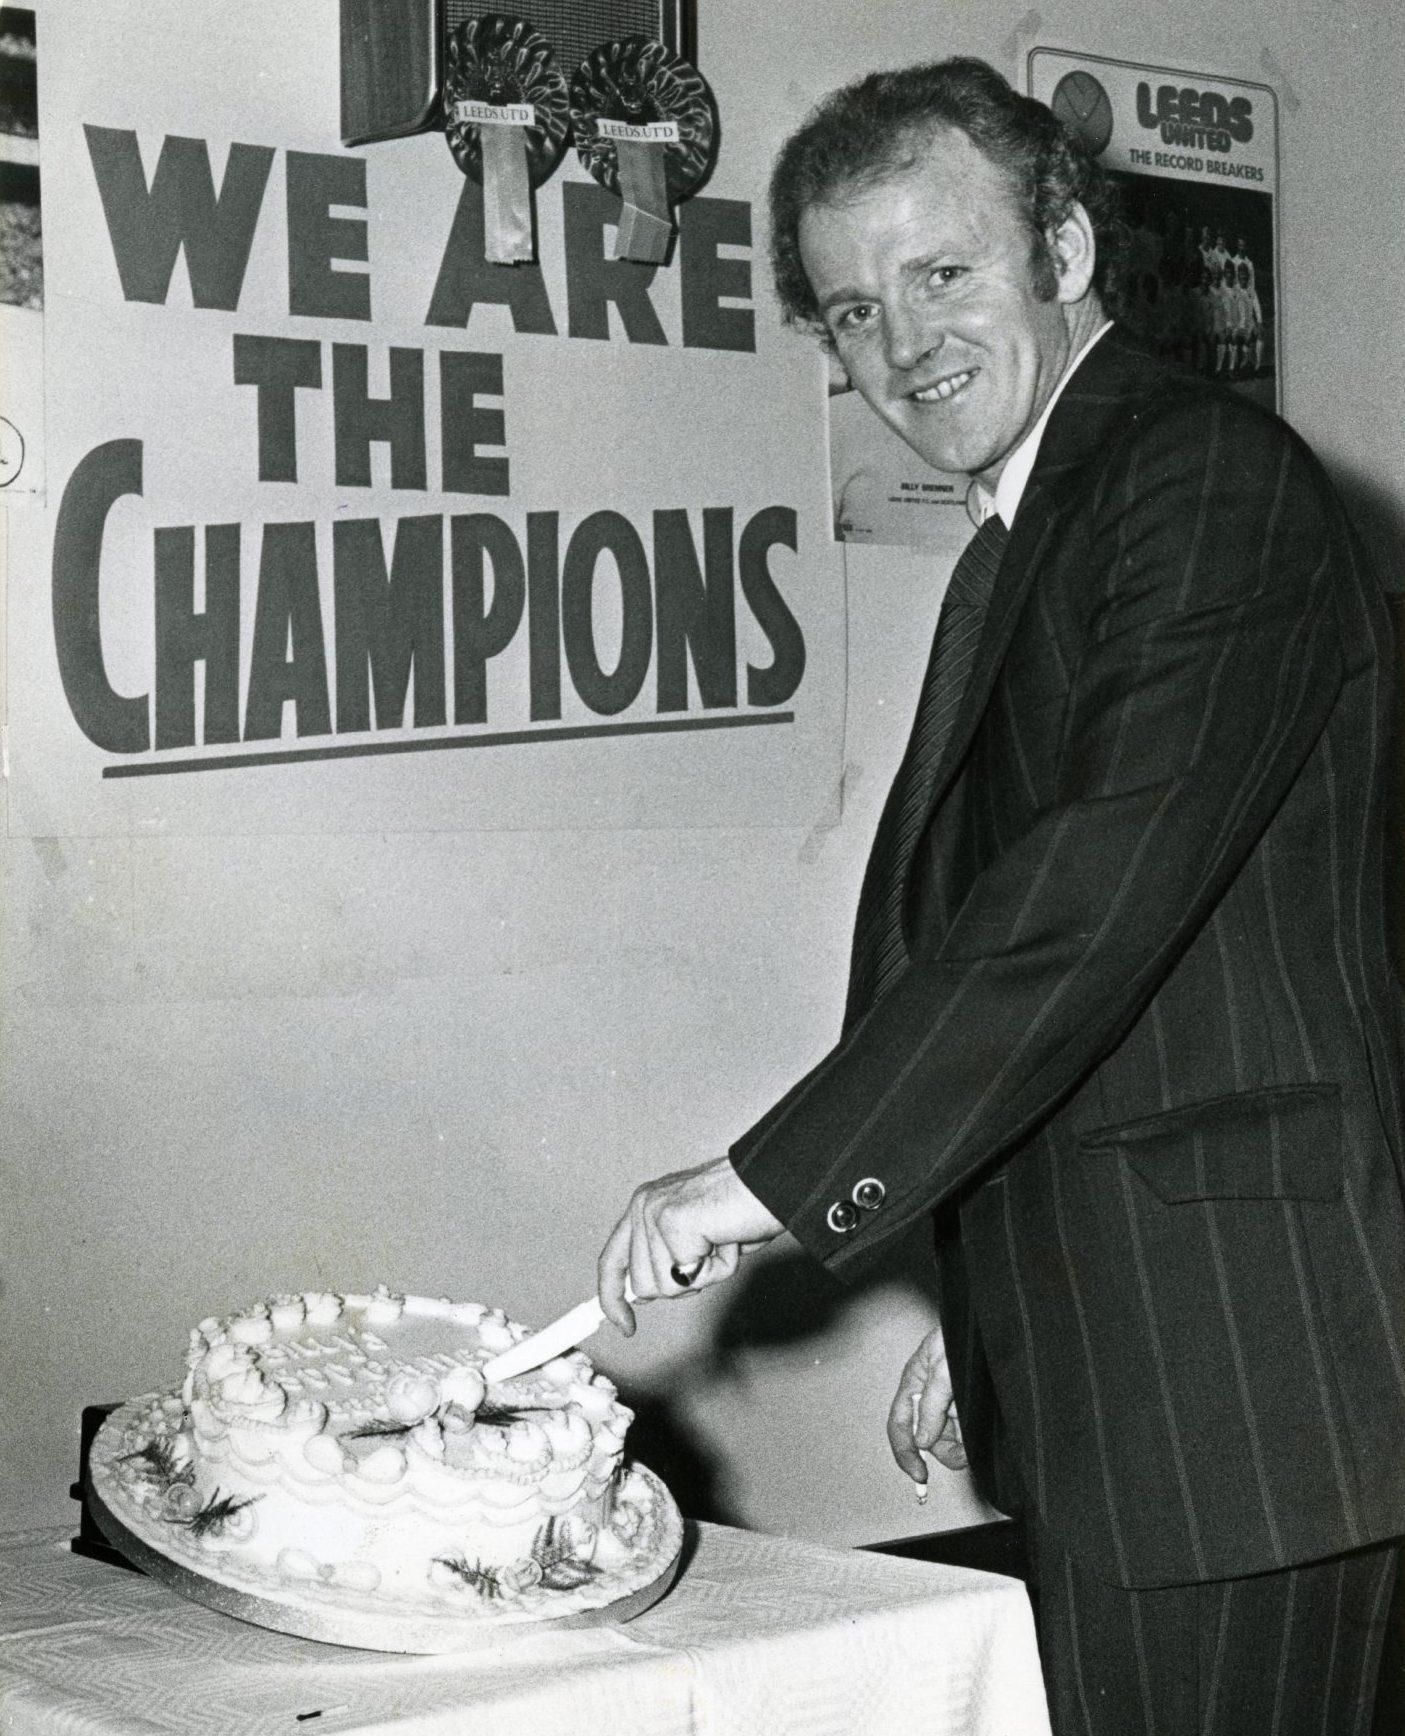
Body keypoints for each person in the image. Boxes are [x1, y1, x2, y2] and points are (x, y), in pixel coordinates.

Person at [596, 57, 1405, 1733]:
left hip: (1249, 1393)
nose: (902, 344)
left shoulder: (1196, 484)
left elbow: (1082, 898)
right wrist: (1004, 1310)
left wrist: (759, 1181)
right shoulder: (1044, 526)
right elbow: (1123, 997)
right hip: (1159, 1367)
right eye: (850, 307)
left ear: (1067, 248)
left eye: (943, 273)